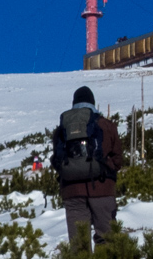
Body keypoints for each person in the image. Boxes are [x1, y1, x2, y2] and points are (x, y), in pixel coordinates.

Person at [52, 85, 122, 245]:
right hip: (103, 188)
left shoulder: (63, 128)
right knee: (107, 238)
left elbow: (57, 160)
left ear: (73, 103)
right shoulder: (106, 125)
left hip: (72, 191)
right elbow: (118, 160)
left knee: (79, 243)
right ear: (93, 103)